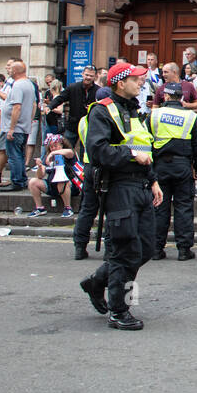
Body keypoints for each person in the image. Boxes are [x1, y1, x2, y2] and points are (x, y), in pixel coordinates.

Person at [79, 62, 164, 331]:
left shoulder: (134, 111)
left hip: (140, 186)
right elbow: (98, 150)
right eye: (136, 80)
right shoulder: (102, 111)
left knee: (146, 248)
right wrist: (129, 156)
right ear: (120, 82)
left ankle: (96, 282)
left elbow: (141, 147)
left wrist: (152, 181)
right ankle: (119, 310)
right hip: (118, 188)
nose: (141, 83)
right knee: (124, 250)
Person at [146, 82, 197, 260]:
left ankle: (156, 249)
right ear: (181, 97)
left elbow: (145, 142)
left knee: (159, 207)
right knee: (184, 208)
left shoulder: (153, 115)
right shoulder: (190, 116)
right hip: (182, 166)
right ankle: (184, 250)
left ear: (165, 97)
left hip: (159, 166)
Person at [69, 84, 114, 261]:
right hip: (107, 166)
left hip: (89, 165)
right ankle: (110, 249)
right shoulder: (110, 117)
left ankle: (79, 246)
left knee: (88, 208)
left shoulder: (84, 119)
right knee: (111, 208)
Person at [0, 61, 38, 193]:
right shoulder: (29, 84)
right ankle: (21, 179)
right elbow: (33, 105)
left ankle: (17, 181)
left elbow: (17, 106)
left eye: (10, 69)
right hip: (24, 126)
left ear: (15, 71)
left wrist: (11, 128)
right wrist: (30, 121)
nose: (8, 71)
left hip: (16, 128)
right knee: (19, 154)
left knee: (14, 155)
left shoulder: (18, 85)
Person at [27, 134, 77, 218]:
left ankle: (68, 208)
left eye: (55, 146)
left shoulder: (68, 154)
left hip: (69, 186)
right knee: (33, 182)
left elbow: (70, 152)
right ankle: (40, 208)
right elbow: (40, 176)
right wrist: (40, 166)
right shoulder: (49, 158)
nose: (53, 148)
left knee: (61, 180)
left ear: (62, 145)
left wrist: (52, 153)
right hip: (52, 186)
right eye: (51, 147)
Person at [50, 66, 99, 151]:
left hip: (89, 126)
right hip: (73, 125)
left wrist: (94, 108)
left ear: (95, 77)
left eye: (91, 76)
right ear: (82, 74)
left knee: (86, 152)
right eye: (86, 75)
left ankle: (83, 164)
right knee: (66, 148)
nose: (88, 77)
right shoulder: (73, 87)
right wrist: (49, 106)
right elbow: (60, 98)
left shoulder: (98, 90)